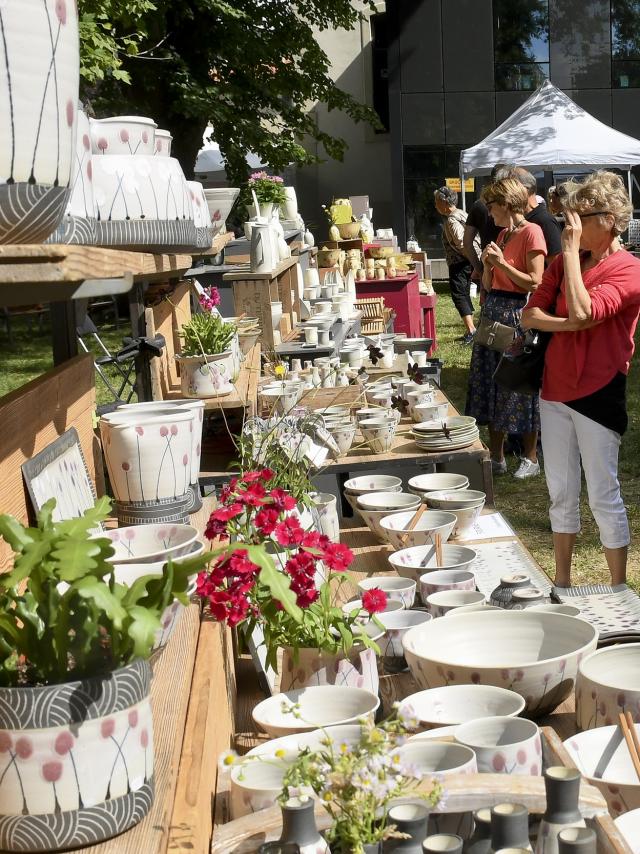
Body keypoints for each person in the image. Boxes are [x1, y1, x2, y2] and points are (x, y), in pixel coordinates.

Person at [522, 171, 640, 587]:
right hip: (554, 389)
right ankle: (562, 581)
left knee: (603, 495)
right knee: (561, 492)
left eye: (580, 218)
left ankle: (618, 588)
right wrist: (570, 324)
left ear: (609, 220)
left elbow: (586, 311)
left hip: (598, 392)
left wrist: (570, 257)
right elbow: (530, 314)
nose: (569, 226)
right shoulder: (561, 263)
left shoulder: (629, 270)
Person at [465, 177, 547, 479]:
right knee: (491, 384)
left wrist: (501, 265)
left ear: (508, 204)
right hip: (493, 314)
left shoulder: (532, 232)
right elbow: (487, 284)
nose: (489, 211)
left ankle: (530, 456)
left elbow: (536, 282)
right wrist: (488, 267)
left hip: (516, 315)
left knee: (518, 386)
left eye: (492, 204)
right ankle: (497, 456)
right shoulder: (502, 236)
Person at [434, 186, 477, 343]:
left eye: (437, 202)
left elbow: (462, 243)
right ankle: (472, 329)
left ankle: (471, 330)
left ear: (445, 203)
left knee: (459, 295)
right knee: (464, 293)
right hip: (466, 262)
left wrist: (471, 260)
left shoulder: (452, 220)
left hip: (460, 263)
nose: (435, 206)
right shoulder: (462, 213)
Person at [463, 164, 510, 280]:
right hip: (511, 266)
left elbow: (467, 242)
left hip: (489, 265)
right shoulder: (513, 203)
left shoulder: (478, 205)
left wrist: (479, 268)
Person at [514, 167, 562, 264]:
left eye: (508, 189)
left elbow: (556, 267)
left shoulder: (545, 221)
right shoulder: (519, 220)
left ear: (525, 190)